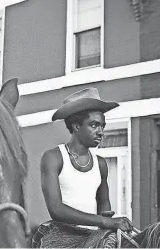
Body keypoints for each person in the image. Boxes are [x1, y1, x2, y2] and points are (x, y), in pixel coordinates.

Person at [33, 88, 134, 248]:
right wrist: (105, 221)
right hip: (62, 237)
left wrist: (108, 226)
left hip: (93, 238)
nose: (101, 132)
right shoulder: (53, 157)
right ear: (76, 126)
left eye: (102, 126)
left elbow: (104, 204)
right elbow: (56, 210)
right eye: (94, 125)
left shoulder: (101, 164)